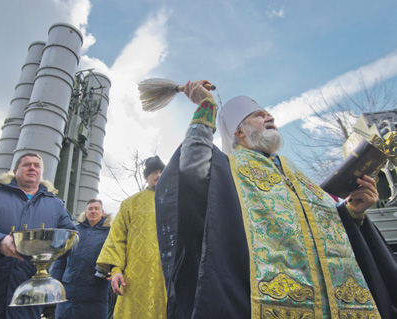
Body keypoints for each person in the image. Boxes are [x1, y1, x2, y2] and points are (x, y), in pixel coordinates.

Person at [155, 80, 397, 319]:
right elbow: (190, 164)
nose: (269, 116)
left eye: (268, 114)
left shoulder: (299, 177)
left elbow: (327, 226)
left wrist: (354, 211)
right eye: (259, 115)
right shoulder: (226, 170)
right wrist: (206, 105)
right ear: (239, 132)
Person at [0, 152, 76, 319]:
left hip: (28, 296)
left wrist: (51, 249)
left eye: (37, 165)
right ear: (15, 170)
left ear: (41, 173)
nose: (32, 167)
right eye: (26, 164)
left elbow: (71, 237)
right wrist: (0, 242)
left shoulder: (56, 205)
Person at [97, 156, 167, 319]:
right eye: (153, 172)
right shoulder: (130, 203)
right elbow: (117, 239)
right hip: (135, 279)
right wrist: (115, 271)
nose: (158, 175)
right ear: (147, 176)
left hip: (170, 278)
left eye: (161, 171)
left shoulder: (178, 201)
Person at [51, 198, 111, 319]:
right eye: (90, 209)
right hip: (69, 289)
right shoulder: (74, 231)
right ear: (86, 212)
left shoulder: (110, 234)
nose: (93, 211)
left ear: (102, 212)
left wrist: (114, 271)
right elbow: (61, 258)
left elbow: (116, 256)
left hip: (96, 290)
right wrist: (55, 283)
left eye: (96, 208)